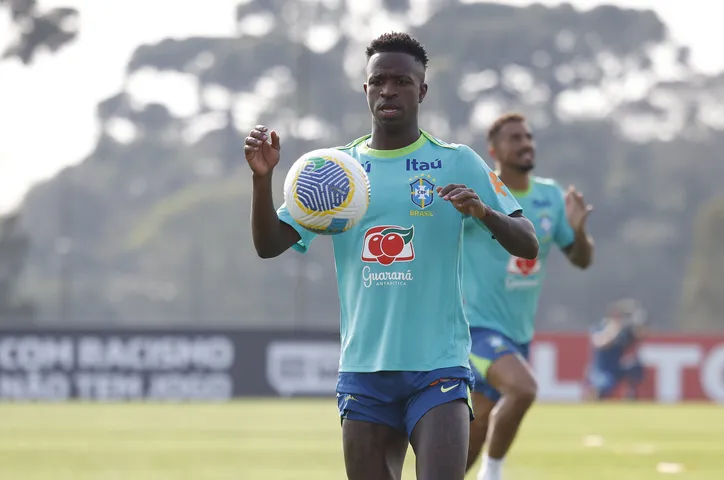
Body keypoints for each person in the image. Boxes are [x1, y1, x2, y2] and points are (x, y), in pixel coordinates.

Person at [244, 33, 539, 480]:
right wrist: (262, 181)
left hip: (438, 366)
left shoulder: (456, 161)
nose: (388, 90)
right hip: (365, 370)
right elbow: (269, 245)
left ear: (421, 90)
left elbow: (527, 242)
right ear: (365, 90)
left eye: (401, 81)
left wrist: (483, 211)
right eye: (378, 80)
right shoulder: (334, 172)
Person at [463, 113, 595, 480]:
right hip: (475, 327)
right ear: (494, 150)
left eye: (529, 137)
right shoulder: (480, 193)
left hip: (518, 334)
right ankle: (494, 474)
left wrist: (580, 232)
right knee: (524, 389)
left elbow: (582, 260)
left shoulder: (550, 195)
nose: (525, 144)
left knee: (477, 429)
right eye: (514, 138)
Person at [586, 298, 647, 400]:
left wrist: (637, 321)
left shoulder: (623, 331)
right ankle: (594, 398)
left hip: (617, 367)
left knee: (635, 366)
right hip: (602, 369)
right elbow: (600, 343)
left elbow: (640, 335)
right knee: (603, 387)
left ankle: (630, 394)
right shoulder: (599, 328)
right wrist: (613, 330)